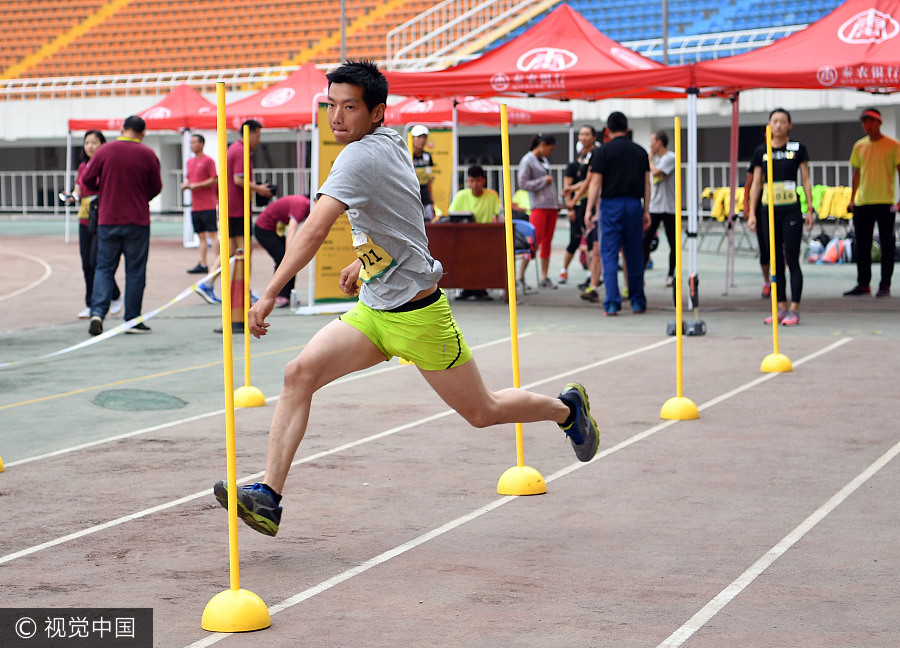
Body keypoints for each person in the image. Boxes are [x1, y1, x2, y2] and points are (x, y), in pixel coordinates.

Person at [212, 61, 598, 537]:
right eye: (331, 105)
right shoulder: (390, 142)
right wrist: (365, 262)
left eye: (349, 107)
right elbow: (399, 221)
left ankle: (567, 410)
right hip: (374, 312)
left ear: (376, 113)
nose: (336, 117)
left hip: (420, 319)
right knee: (299, 374)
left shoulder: (357, 158)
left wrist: (270, 291)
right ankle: (268, 497)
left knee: (484, 412)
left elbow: (313, 229)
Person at [82, 115, 162, 335]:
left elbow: (87, 180)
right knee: (135, 271)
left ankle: (97, 312)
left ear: (122, 128)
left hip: (108, 219)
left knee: (104, 268)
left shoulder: (105, 151)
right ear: (143, 133)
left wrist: (105, 187)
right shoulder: (148, 154)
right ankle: (132, 319)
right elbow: (156, 187)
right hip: (137, 220)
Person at [747, 108, 815, 327]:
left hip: (791, 211)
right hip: (768, 211)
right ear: (769, 125)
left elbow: (805, 179)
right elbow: (756, 183)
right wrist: (751, 212)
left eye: (782, 121)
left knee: (792, 259)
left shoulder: (797, 149)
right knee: (774, 261)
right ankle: (781, 307)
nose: (778, 125)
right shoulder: (761, 151)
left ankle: (794, 308)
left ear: (789, 125)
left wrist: (810, 209)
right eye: (774, 121)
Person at [197, 119, 273, 305]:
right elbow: (239, 180)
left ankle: (207, 283)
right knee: (245, 252)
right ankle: (244, 289)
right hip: (238, 209)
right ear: (252, 132)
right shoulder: (241, 150)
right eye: (259, 135)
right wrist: (259, 189)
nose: (259, 139)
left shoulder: (235, 149)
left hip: (231, 208)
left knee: (230, 252)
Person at [584, 112, 650, 316]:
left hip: (611, 205)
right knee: (634, 254)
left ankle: (612, 303)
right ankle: (638, 301)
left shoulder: (603, 152)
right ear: (627, 129)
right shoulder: (640, 151)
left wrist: (589, 209)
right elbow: (647, 183)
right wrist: (646, 209)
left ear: (607, 130)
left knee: (609, 254)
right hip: (633, 204)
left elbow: (595, 182)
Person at [66, 130, 123, 320]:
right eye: (87, 142)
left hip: (102, 218)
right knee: (86, 263)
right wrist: (72, 196)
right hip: (84, 217)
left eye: (94, 142)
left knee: (96, 261)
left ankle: (113, 295)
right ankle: (91, 304)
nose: (89, 146)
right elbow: (78, 187)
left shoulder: (107, 165)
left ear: (102, 144)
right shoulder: (83, 166)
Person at [844, 107, 900, 298]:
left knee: (887, 244)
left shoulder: (893, 145)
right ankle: (863, 283)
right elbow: (856, 174)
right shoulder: (859, 146)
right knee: (862, 244)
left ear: (879, 122)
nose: (867, 125)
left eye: (871, 121)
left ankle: (885, 284)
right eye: (864, 122)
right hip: (863, 202)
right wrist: (852, 199)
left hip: (886, 201)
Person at [447, 164, 501, 301]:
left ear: (483, 181)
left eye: (478, 181)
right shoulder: (461, 195)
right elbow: (451, 214)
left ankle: (482, 288)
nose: (475, 184)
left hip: (487, 238)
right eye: (471, 181)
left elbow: (499, 215)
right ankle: (466, 288)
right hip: (465, 238)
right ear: (467, 182)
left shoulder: (492, 195)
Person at [516, 133, 560, 290]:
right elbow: (522, 183)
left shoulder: (544, 160)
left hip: (551, 206)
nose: (551, 152)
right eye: (550, 149)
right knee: (534, 241)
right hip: (539, 206)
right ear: (543, 145)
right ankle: (520, 276)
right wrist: (543, 181)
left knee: (547, 241)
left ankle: (544, 277)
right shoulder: (527, 160)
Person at [253, 194, 311, 308]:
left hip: (274, 229)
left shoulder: (306, 205)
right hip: (264, 228)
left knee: (293, 261)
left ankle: (287, 295)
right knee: (283, 259)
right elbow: (291, 230)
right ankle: (279, 295)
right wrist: (289, 253)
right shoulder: (302, 205)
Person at [561, 126, 596, 286]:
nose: (584, 137)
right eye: (581, 134)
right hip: (577, 207)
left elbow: (588, 183)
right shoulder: (574, 165)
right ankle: (564, 271)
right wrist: (570, 206)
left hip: (590, 205)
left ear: (593, 137)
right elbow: (568, 187)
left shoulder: (595, 157)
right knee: (575, 240)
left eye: (587, 134)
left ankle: (592, 275)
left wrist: (573, 194)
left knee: (591, 240)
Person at [181, 133, 219, 278]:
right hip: (195, 205)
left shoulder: (208, 161)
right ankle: (203, 263)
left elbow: (214, 179)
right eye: (190, 143)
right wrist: (186, 185)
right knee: (201, 236)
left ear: (201, 144)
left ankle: (218, 262)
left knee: (213, 234)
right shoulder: (190, 162)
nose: (192, 145)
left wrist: (197, 185)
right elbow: (189, 179)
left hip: (208, 204)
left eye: (194, 142)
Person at [643, 130, 677, 287]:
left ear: (659, 142)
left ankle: (671, 274)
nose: (650, 144)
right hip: (656, 205)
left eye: (652, 141)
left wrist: (648, 160)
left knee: (673, 242)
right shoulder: (658, 159)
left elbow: (656, 171)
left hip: (669, 207)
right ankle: (640, 274)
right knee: (645, 240)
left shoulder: (670, 158)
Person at [410, 124, 436, 221]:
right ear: (413, 139)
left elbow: (429, 180)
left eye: (424, 137)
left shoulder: (427, 156)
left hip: (425, 198)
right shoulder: (407, 155)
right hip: (411, 198)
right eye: (419, 137)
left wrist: (432, 202)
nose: (422, 140)